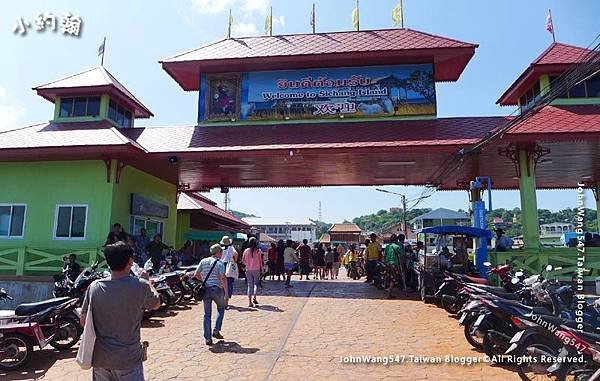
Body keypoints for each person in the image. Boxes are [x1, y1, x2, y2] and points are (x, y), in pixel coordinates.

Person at [80, 242, 160, 380]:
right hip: (128, 358)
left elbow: (83, 321)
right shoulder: (140, 286)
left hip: (100, 358)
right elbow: (156, 304)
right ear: (130, 261)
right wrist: (148, 282)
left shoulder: (94, 287)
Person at [194, 244, 228, 345]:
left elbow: (196, 274)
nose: (222, 254)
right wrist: (226, 293)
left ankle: (208, 338)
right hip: (217, 289)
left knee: (207, 315)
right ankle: (216, 330)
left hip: (206, 290)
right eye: (221, 252)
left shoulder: (203, 261)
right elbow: (223, 278)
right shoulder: (220, 264)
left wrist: (204, 280)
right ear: (218, 253)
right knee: (221, 308)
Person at [242, 237, 263, 307]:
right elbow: (260, 261)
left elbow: (243, 260)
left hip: (248, 270)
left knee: (249, 285)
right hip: (256, 269)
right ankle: (254, 297)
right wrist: (261, 268)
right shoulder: (258, 251)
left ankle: (250, 302)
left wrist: (247, 264)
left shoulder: (246, 251)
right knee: (256, 284)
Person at [383, 234, 404, 298]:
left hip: (387, 264)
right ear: (396, 240)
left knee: (388, 277)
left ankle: (388, 290)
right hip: (394, 264)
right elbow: (400, 257)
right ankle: (389, 292)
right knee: (394, 278)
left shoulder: (387, 247)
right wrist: (401, 265)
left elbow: (384, 256)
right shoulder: (397, 247)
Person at [219, 236, 238, 305]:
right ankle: (226, 300)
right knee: (229, 283)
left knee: (222, 283)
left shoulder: (220, 248)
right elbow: (236, 254)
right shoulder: (231, 248)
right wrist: (235, 261)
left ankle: (222, 299)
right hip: (229, 266)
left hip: (221, 266)